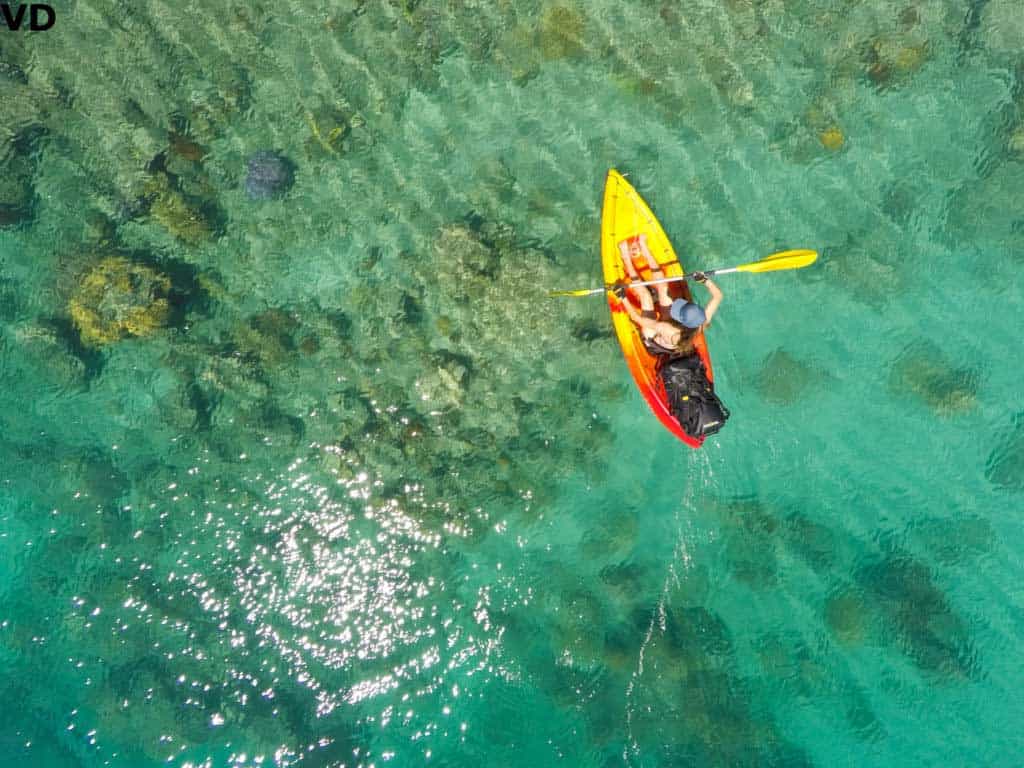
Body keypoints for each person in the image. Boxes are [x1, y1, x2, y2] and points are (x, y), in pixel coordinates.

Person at [613, 233, 722, 358]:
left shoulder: (666, 328)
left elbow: (637, 318)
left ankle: (626, 258)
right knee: (663, 289)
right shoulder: (701, 320)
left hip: (653, 338)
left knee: (646, 297)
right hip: (673, 327)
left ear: (681, 321)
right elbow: (717, 296)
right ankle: (645, 249)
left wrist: (622, 297)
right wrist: (704, 280)